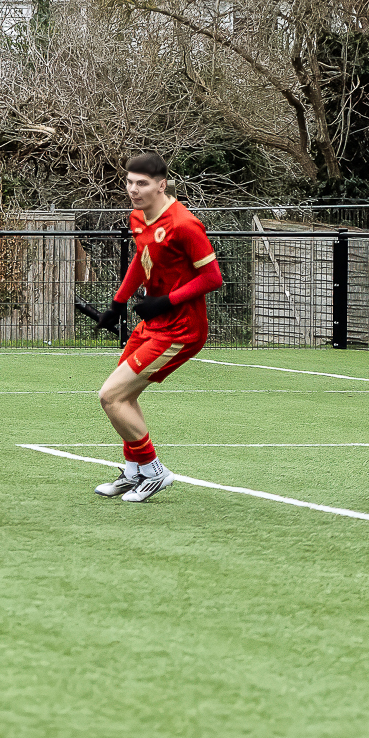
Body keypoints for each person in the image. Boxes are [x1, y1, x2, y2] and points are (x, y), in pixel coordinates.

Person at [85, 153, 224, 503]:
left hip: (181, 330)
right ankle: (134, 471)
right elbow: (141, 258)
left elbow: (213, 278)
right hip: (154, 325)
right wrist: (118, 303)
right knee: (122, 397)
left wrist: (165, 301)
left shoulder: (184, 224)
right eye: (129, 182)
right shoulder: (138, 217)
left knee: (110, 395)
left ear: (162, 185)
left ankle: (154, 471)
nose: (133, 189)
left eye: (142, 183)